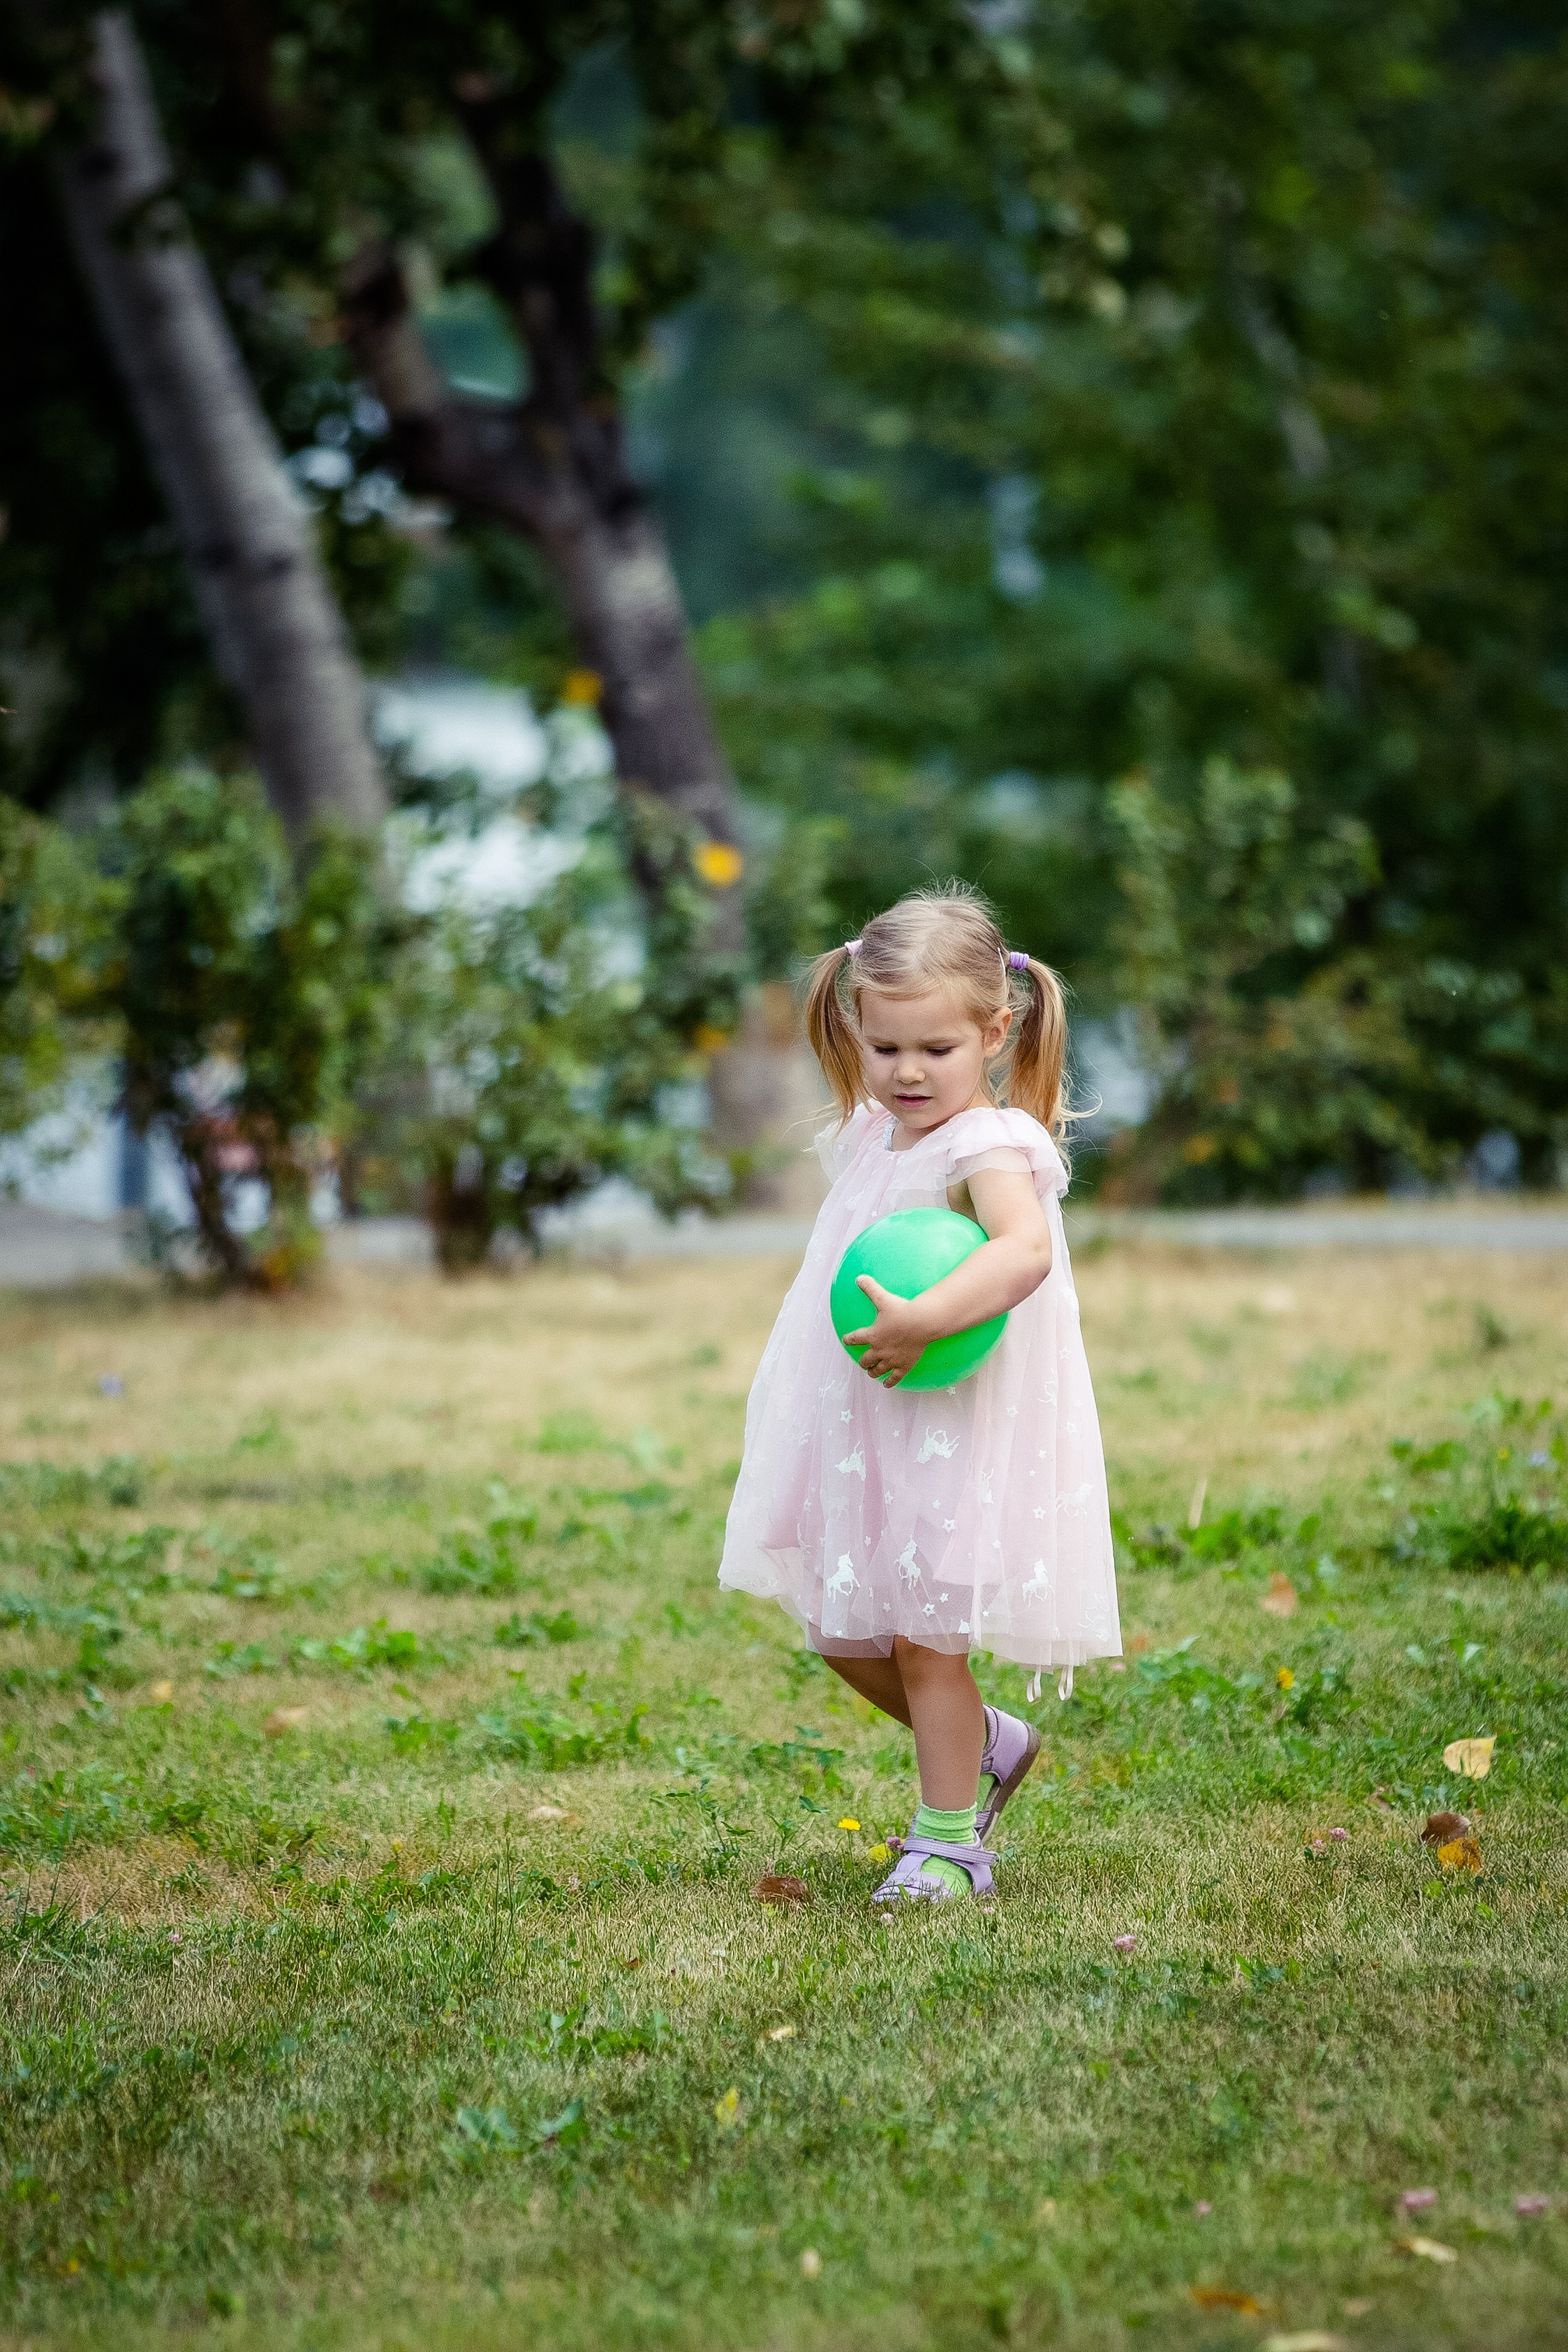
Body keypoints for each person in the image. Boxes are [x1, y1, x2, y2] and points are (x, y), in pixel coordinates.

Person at [718, 885, 1121, 1902]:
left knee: (925, 1639)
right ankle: (988, 1742)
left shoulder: (988, 1145)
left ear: (994, 1032)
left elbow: (1021, 1253)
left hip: (948, 1419)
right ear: (856, 1025)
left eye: (935, 1049)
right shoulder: (872, 1132)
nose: (907, 1071)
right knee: (840, 1629)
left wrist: (926, 1318)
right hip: (867, 1418)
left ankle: (948, 1845)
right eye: (886, 1045)